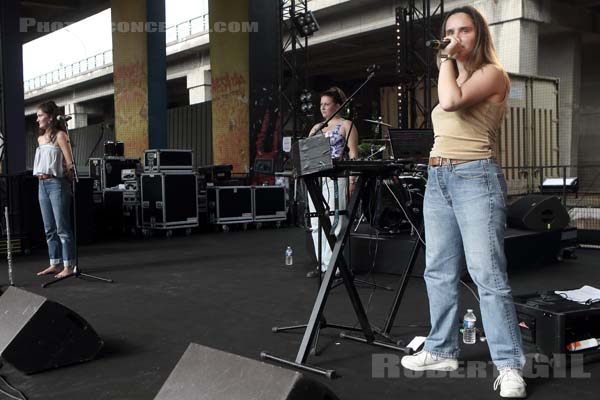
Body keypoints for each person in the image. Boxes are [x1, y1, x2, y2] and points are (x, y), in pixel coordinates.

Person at [399, 6, 527, 398]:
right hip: (438, 177)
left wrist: (444, 58)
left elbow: (451, 103)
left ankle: (508, 366)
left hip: (475, 177)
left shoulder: (492, 73)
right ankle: (442, 349)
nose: (456, 37)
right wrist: (449, 63)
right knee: (438, 269)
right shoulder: (453, 73)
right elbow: (445, 111)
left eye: (464, 30)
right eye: (449, 31)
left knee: (487, 273)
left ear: (479, 35)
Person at [306, 87, 359, 278]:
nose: (323, 108)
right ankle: (323, 264)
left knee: (337, 221)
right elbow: (306, 152)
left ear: (338, 105)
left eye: (327, 104)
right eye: (321, 105)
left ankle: (335, 266)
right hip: (316, 178)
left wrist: (353, 180)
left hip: (337, 177)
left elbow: (353, 154)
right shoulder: (317, 128)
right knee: (316, 221)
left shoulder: (347, 125)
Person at [33, 101, 76, 279]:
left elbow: (69, 163)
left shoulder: (60, 135)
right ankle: (55, 263)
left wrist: (69, 181)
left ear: (50, 117)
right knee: (49, 228)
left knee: (62, 227)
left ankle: (68, 265)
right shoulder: (40, 139)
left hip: (57, 184)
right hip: (41, 184)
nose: (37, 119)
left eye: (40, 115)